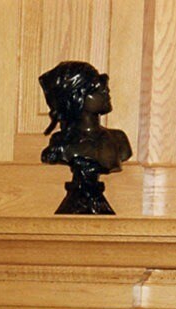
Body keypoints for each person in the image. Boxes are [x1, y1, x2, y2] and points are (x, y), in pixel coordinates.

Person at [37, 61, 133, 214]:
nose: (106, 90)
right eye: (96, 88)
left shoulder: (118, 140)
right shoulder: (61, 144)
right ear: (77, 97)